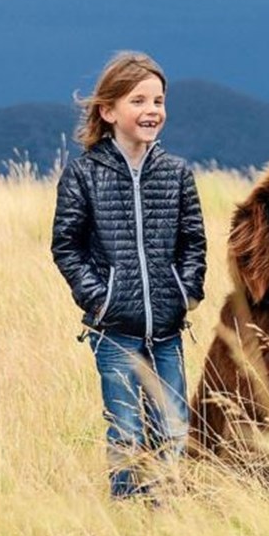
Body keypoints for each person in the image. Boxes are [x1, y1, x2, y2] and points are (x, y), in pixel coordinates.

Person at [51, 50, 206, 499]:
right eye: (138, 101)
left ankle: (165, 517)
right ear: (108, 110)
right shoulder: (83, 174)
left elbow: (193, 242)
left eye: (158, 101)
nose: (151, 110)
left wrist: (185, 294)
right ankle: (126, 519)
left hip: (168, 330)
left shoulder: (176, 174)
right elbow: (66, 245)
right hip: (114, 331)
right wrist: (100, 299)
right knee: (127, 437)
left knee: (173, 433)